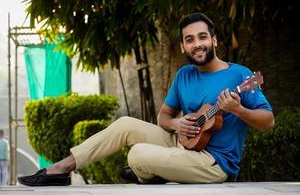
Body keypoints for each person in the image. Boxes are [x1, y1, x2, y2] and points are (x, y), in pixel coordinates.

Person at [18, 12, 275, 186]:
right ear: (183, 46)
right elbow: (163, 117)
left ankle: (149, 171)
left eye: (202, 37)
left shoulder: (240, 75)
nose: (197, 44)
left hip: (214, 164)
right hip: (181, 145)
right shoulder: (184, 75)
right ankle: (61, 169)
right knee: (125, 124)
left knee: (138, 154)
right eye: (189, 39)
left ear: (214, 40)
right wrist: (177, 124)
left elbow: (268, 121)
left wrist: (238, 109)